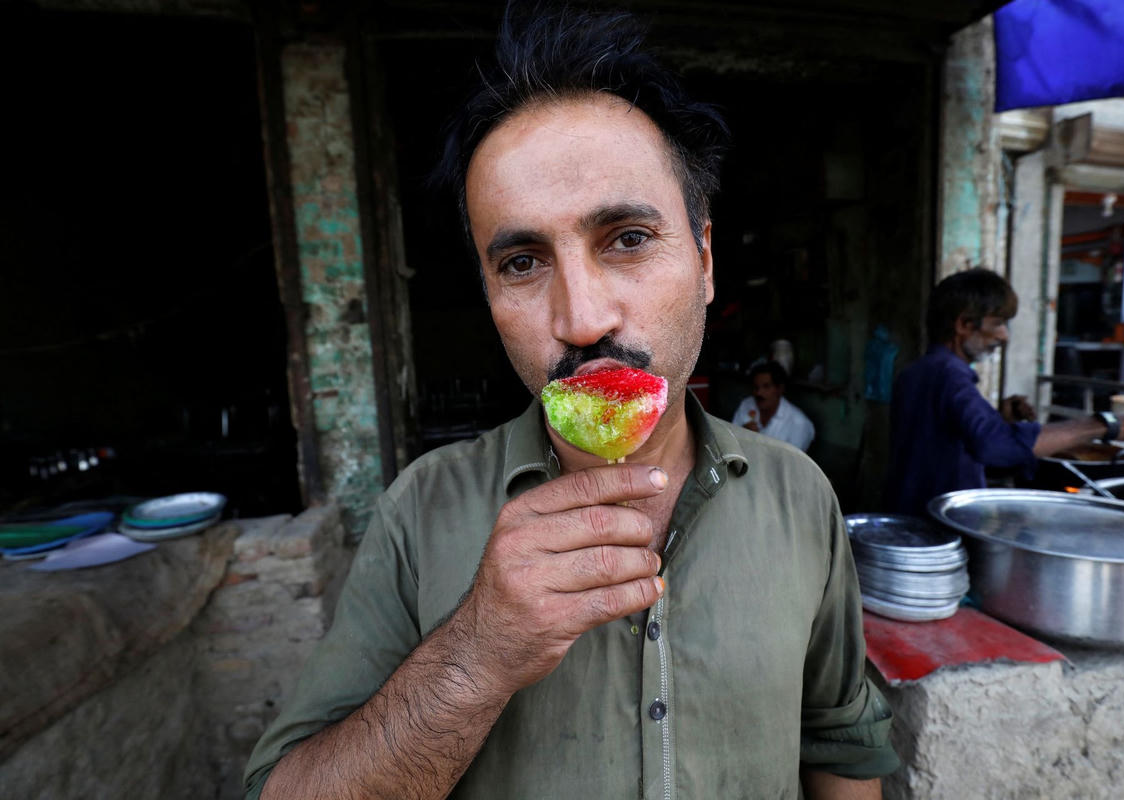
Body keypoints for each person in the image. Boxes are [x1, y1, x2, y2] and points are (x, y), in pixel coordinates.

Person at [244, 7, 898, 800]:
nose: (583, 319)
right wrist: (476, 653)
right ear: (488, 295)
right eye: (522, 261)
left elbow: (841, 753)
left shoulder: (802, 496)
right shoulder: (420, 511)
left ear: (704, 260)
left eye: (626, 238)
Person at [885, 268, 1124, 517]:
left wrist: (1002, 421)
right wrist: (1107, 425)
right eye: (998, 323)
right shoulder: (949, 375)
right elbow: (995, 447)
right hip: (933, 525)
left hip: (911, 512)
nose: (1004, 336)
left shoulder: (918, 371)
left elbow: (946, 440)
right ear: (964, 324)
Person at [732, 360, 816, 451]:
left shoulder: (799, 423)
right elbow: (731, 439)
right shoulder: (747, 405)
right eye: (756, 387)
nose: (759, 393)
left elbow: (790, 462)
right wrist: (742, 433)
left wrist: (752, 440)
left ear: (780, 389)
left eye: (766, 386)